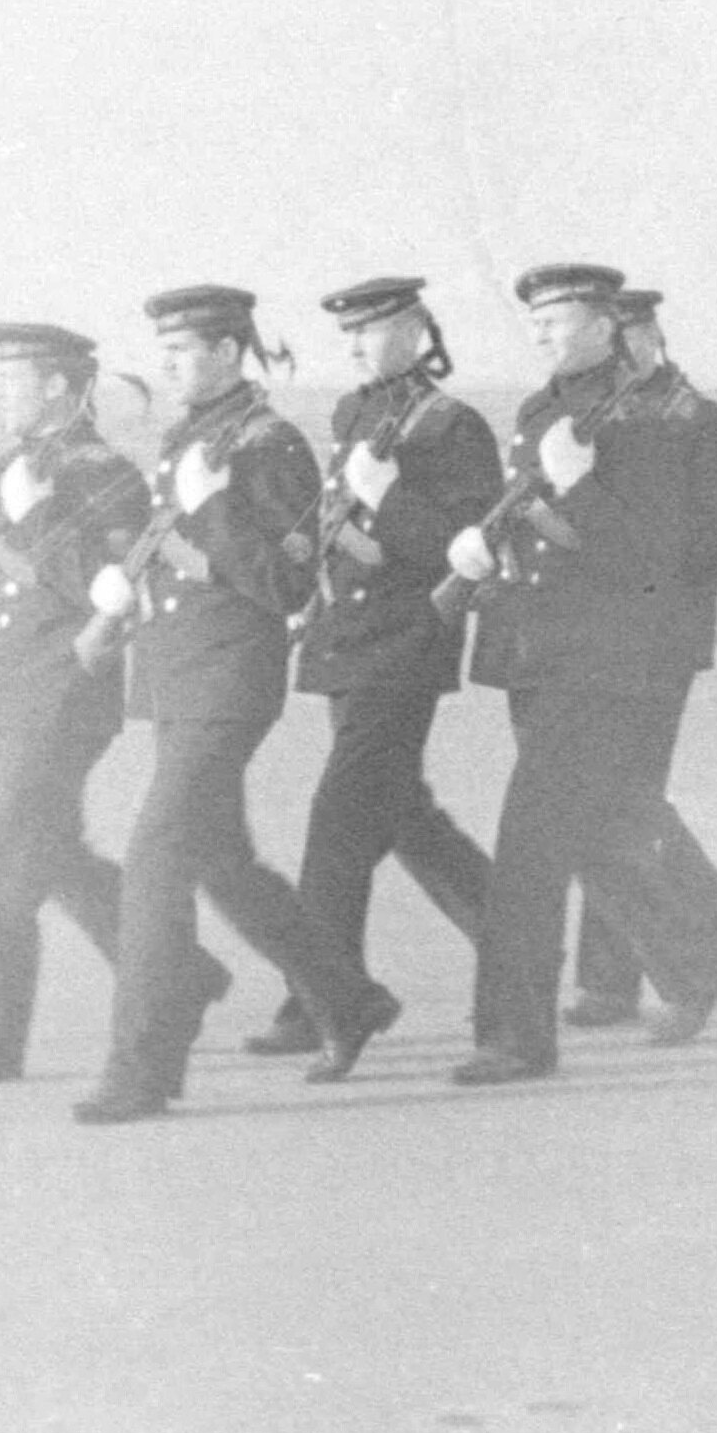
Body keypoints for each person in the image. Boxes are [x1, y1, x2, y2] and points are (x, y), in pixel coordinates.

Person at [69, 286, 398, 1124]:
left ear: (226, 352)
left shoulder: (268, 445)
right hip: (180, 675)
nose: (170, 366)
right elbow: (170, 550)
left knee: (154, 860)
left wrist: (214, 505)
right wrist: (113, 615)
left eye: (183, 351)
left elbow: (290, 582)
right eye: (165, 352)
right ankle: (348, 999)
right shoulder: (194, 437)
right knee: (220, 861)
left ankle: (142, 1070)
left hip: (229, 680)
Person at [447, 263, 717, 1084]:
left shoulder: (652, 420)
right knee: (590, 830)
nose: (539, 332)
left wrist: (579, 488)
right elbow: (541, 525)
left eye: (556, 319)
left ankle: (514, 1038)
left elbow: (656, 556)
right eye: (535, 320)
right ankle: (695, 960)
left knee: (529, 848)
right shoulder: (541, 408)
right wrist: (483, 546)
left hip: (602, 660)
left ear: (605, 325)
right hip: (536, 650)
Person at [0, 321, 191, 1089]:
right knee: (47, 853)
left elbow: (110, 588)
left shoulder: (105, 473)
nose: (2, 393)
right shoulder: (15, 463)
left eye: (14, 379)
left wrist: (33, 519)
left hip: (61, 690)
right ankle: (179, 974)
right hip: (12, 686)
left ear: (58, 385)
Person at [243, 277, 503, 1061]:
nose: (354, 346)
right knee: (402, 816)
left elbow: (468, 549)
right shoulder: (353, 413)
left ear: (417, 329)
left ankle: (318, 1001)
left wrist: (385, 498)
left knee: (339, 821)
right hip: (349, 638)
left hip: (405, 642)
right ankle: (517, 936)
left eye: (370, 330)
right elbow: (342, 526)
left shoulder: (454, 426)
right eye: (348, 333)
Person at [562, 285, 717, 1029]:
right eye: (613, 340)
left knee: (617, 797)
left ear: (653, 336)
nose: (625, 354)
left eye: (634, 337)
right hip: (595, 636)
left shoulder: (698, 421)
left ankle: (677, 944)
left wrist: (631, 545)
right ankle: (620, 975)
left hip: (657, 638)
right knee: (612, 800)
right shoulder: (597, 416)